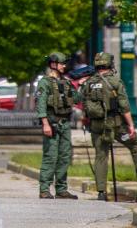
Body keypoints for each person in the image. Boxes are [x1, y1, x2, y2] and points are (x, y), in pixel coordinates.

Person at [81, 52, 137, 200]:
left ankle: (101, 192)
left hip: (97, 126)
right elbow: (124, 107)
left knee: (101, 156)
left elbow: (83, 104)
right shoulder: (115, 82)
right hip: (115, 126)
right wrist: (131, 125)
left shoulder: (88, 83)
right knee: (136, 145)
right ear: (110, 64)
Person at [36, 52, 83, 199]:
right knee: (51, 156)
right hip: (52, 123)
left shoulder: (66, 82)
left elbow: (76, 99)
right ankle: (44, 189)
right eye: (62, 63)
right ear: (53, 64)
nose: (64, 66)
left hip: (65, 123)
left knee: (64, 156)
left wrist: (81, 85)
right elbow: (41, 104)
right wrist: (45, 124)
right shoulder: (45, 82)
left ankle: (61, 189)